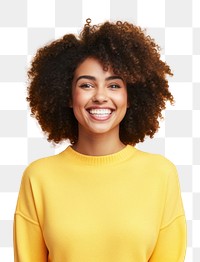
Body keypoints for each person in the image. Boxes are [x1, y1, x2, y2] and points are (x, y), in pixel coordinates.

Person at [13, 18, 187, 261]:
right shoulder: (39, 177)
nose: (101, 96)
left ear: (130, 96)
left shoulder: (161, 174)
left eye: (114, 85)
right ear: (67, 95)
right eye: (87, 85)